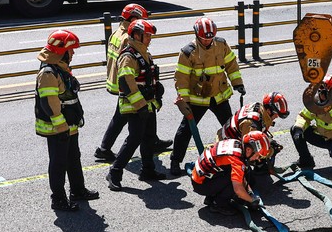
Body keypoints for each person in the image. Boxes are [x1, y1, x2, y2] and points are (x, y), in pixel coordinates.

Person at [95, 3, 172, 162]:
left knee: (122, 117)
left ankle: (107, 147)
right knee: (124, 117)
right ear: (133, 19)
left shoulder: (116, 32)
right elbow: (128, 66)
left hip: (114, 80)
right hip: (127, 84)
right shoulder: (127, 39)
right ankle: (105, 149)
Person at [169, 17, 244, 176]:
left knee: (230, 129)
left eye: (210, 37)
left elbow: (231, 65)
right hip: (198, 100)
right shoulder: (188, 52)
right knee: (186, 130)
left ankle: (236, 156)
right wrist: (184, 101)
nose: (208, 40)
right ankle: (175, 161)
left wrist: (237, 83)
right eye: (204, 37)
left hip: (219, 96)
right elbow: (181, 79)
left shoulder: (221, 44)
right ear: (197, 35)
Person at [34, 29, 99, 211]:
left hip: (68, 125)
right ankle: (58, 199)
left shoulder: (59, 69)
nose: (74, 53)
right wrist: (61, 126)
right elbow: (50, 102)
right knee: (58, 163)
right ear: (62, 52)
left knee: (73, 158)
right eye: (71, 50)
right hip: (57, 128)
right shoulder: (48, 73)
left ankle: (78, 190)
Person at [107, 19, 167, 190]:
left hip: (147, 104)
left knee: (149, 137)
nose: (150, 38)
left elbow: (145, 78)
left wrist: (156, 90)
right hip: (135, 106)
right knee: (134, 139)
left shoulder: (144, 53)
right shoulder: (128, 56)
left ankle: (148, 170)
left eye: (150, 35)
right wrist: (140, 105)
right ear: (137, 35)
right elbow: (126, 83)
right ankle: (114, 172)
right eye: (147, 35)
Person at [189, 131, 271, 214]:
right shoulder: (236, 161)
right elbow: (238, 189)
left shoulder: (236, 143)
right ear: (249, 150)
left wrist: (249, 193)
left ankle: (212, 197)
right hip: (201, 184)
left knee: (244, 171)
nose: (258, 159)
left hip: (202, 178)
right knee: (233, 181)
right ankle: (218, 205)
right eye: (258, 155)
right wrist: (251, 200)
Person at [291, 74, 332, 173]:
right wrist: (298, 129)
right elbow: (304, 116)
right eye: (319, 91)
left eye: (324, 92)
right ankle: (306, 160)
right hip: (322, 136)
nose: (321, 95)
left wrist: (330, 105)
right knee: (295, 129)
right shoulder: (315, 102)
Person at [217, 92, 289, 174]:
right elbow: (251, 148)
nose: (277, 117)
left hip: (236, 137)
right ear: (269, 111)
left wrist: (270, 142)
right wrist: (271, 151)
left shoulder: (259, 109)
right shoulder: (251, 124)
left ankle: (259, 166)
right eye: (276, 114)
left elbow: (259, 133)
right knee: (249, 179)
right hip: (227, 148)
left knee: (268, 145)